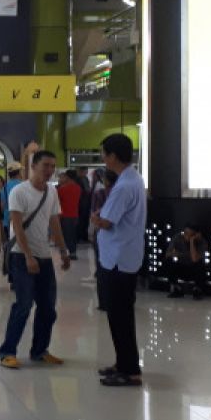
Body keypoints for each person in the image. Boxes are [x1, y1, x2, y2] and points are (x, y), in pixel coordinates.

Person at [0, 151, 71, 369]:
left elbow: (54, 222)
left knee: (48, 308)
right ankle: (7, 351)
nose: (50, 170)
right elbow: (17, 227)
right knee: (23, 304)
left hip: (45, 257)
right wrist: (29, 256)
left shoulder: (52, 192)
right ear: (33, 166)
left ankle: (40, 350)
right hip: (22, 257)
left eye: (53, 166)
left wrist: (63, 250)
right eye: (46, 165)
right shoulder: (19, 192)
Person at [92, 134, 147, 387]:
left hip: (118, 259)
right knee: (120, 315)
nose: (103, 158)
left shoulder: (124, 186)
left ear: (113, 156)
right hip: (126, 255)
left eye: (104, 153)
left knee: (119, 316)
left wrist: (96, 219)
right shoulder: (134, 179)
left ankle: (129, 370)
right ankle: (123, 362)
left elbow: (107, 221)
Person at [164, 224, 208, 299]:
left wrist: (191, 242)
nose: (186, 236)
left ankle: (197, 290)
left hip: (194, 270)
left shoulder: (202, 242)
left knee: (200, 265)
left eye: (189, 234)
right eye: (185, 233)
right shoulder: (177, 237)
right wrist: (183, 254)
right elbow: (168, 254)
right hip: (181, 267)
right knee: (168, 262)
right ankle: (177, 288)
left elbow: (194, 259)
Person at [57, 170, 82, 260]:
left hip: (64, 215)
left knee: (66, 235)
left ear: (67, 177)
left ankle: (69, 253)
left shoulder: (62, 189)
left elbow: (57, 203)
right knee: (73, 234)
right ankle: (73, 252)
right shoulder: (78, 188)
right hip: (75, 215)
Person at [2, 162, 23, 240]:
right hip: (21, 220)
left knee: (10, 244)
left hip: (7, 220)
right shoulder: (23, 186)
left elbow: (2, 206)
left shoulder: (4, 187)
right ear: (19, 172)